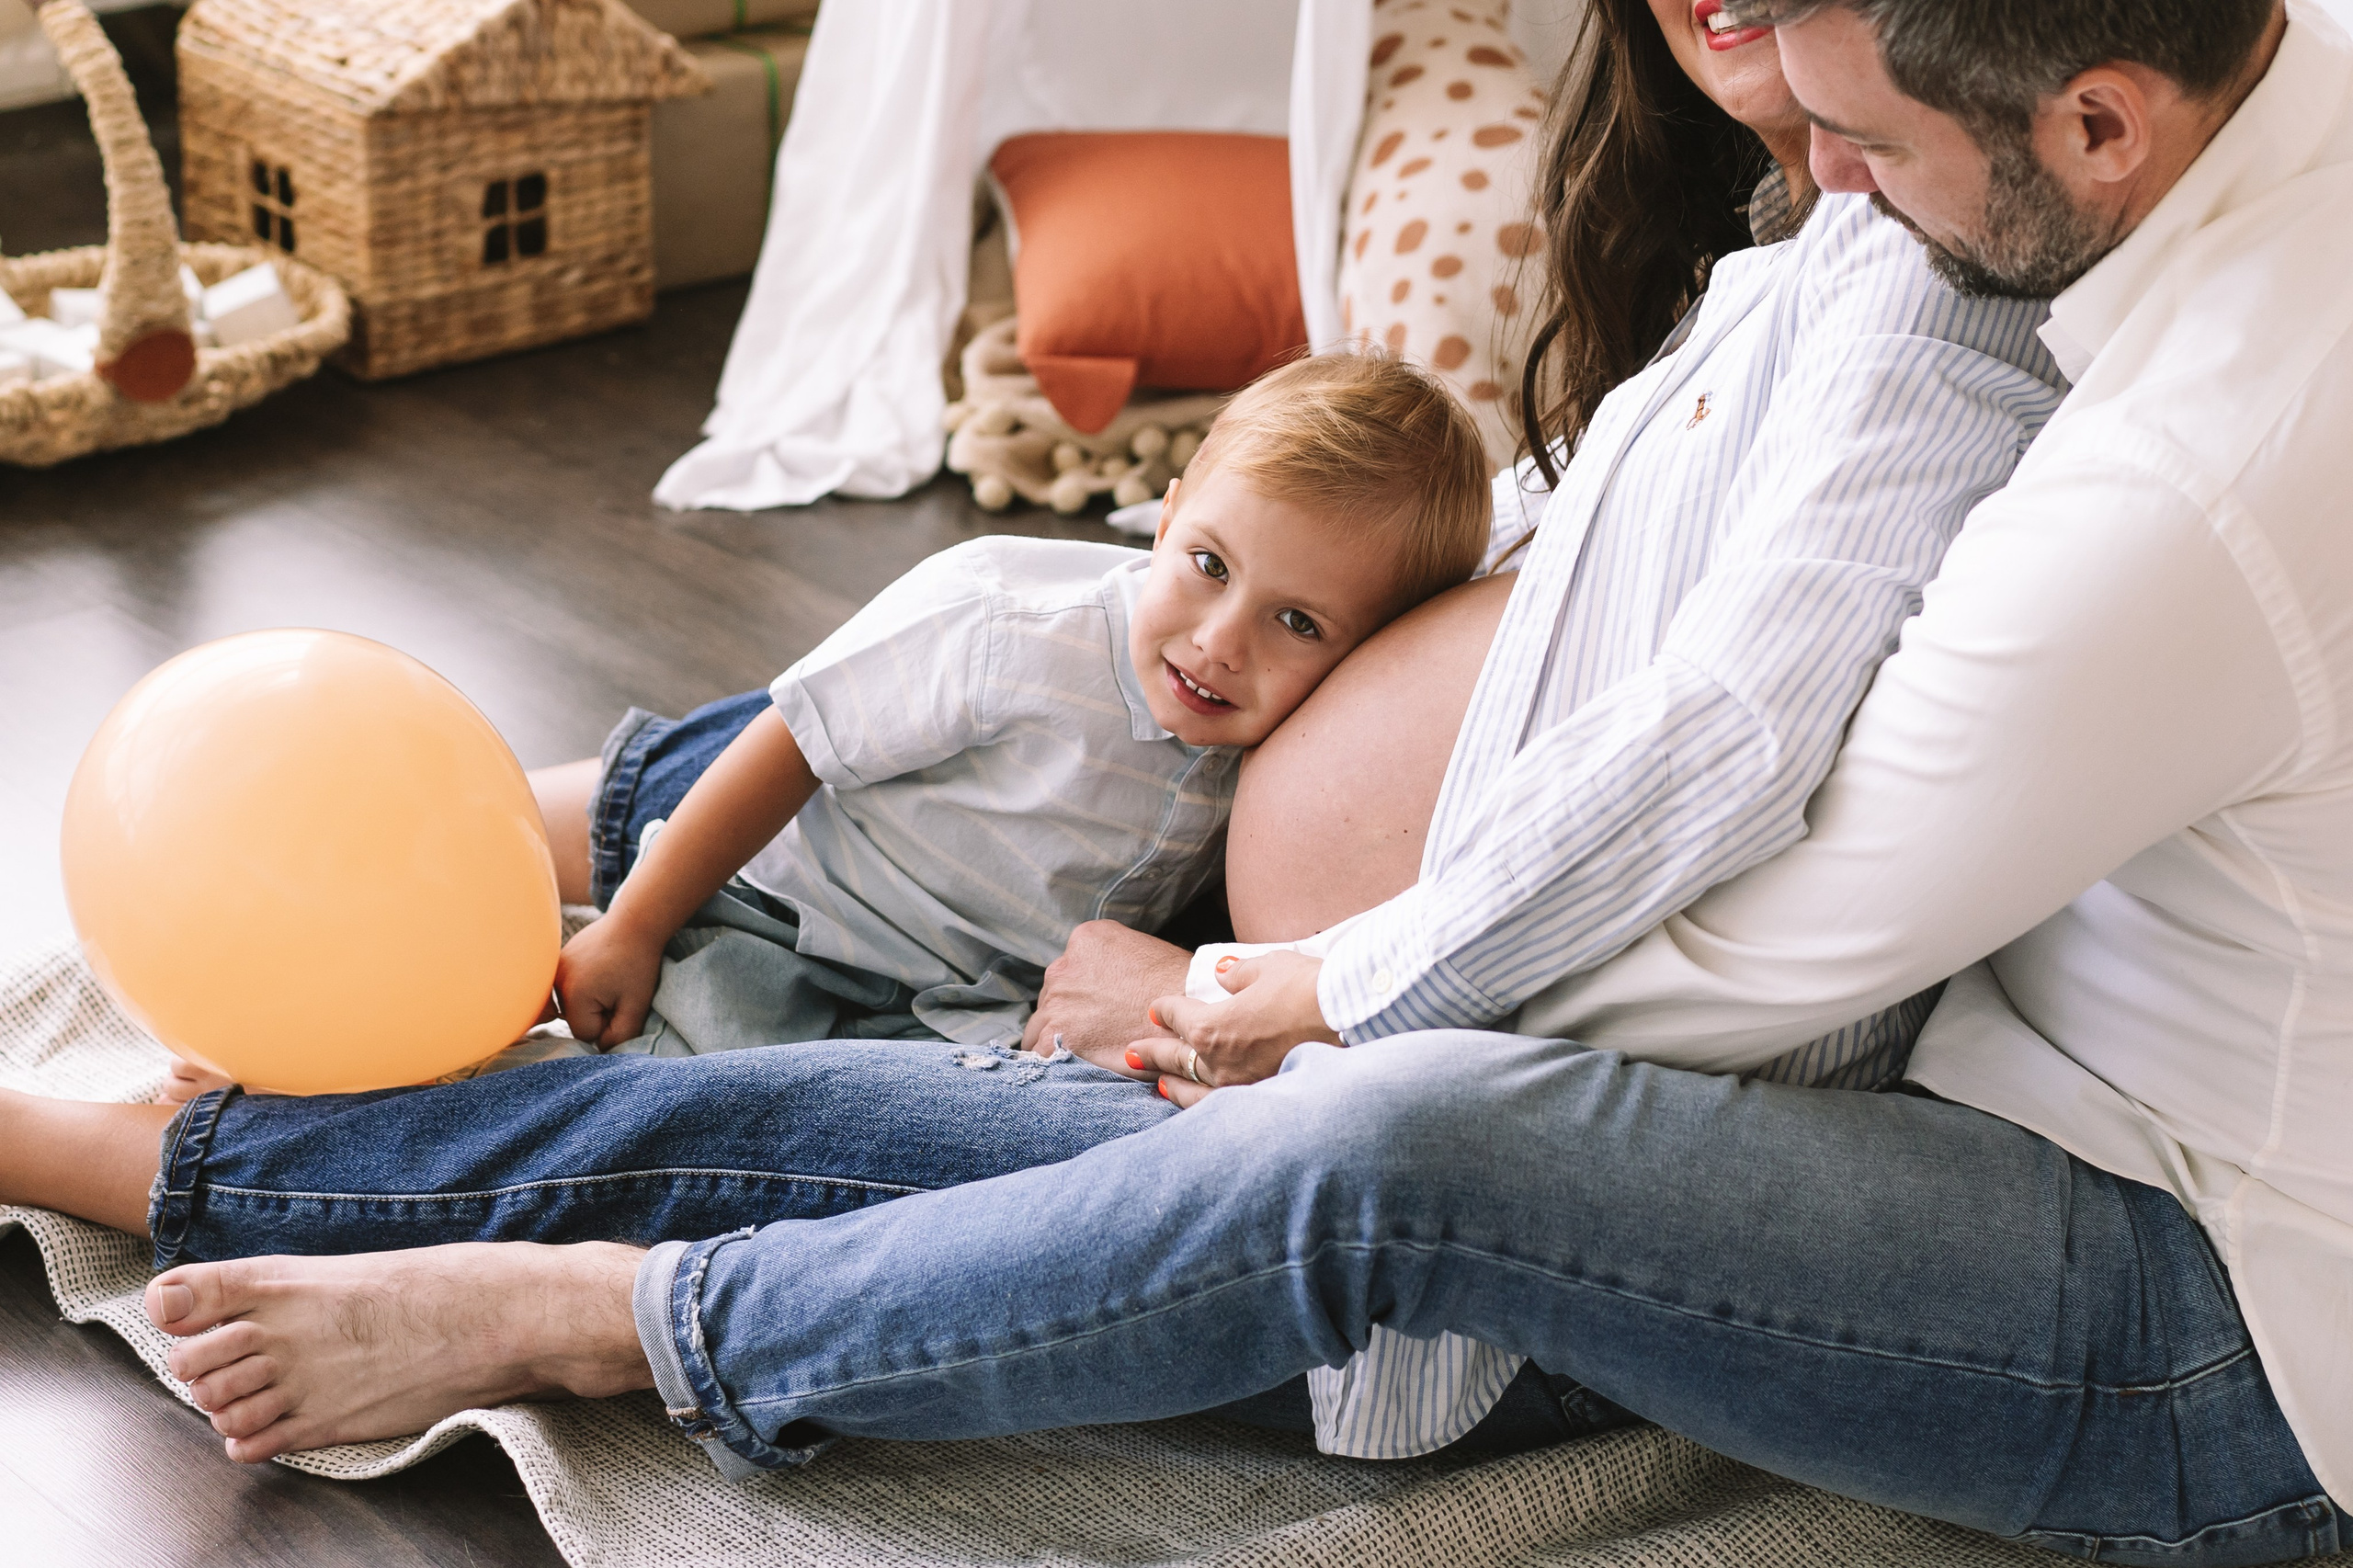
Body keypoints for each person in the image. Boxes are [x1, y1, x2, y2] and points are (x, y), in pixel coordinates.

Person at [0, 0, 2178, 1551]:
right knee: (832, 759)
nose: (1801, 108)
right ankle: (412, 1004)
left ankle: (99, 1151)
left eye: (1851, 91)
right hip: (1239, 960)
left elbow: (1723, 800)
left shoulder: (1941, 326)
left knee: (698, 1124)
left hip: (1323, 1084)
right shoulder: (1824, 258)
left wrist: (1294, 994)